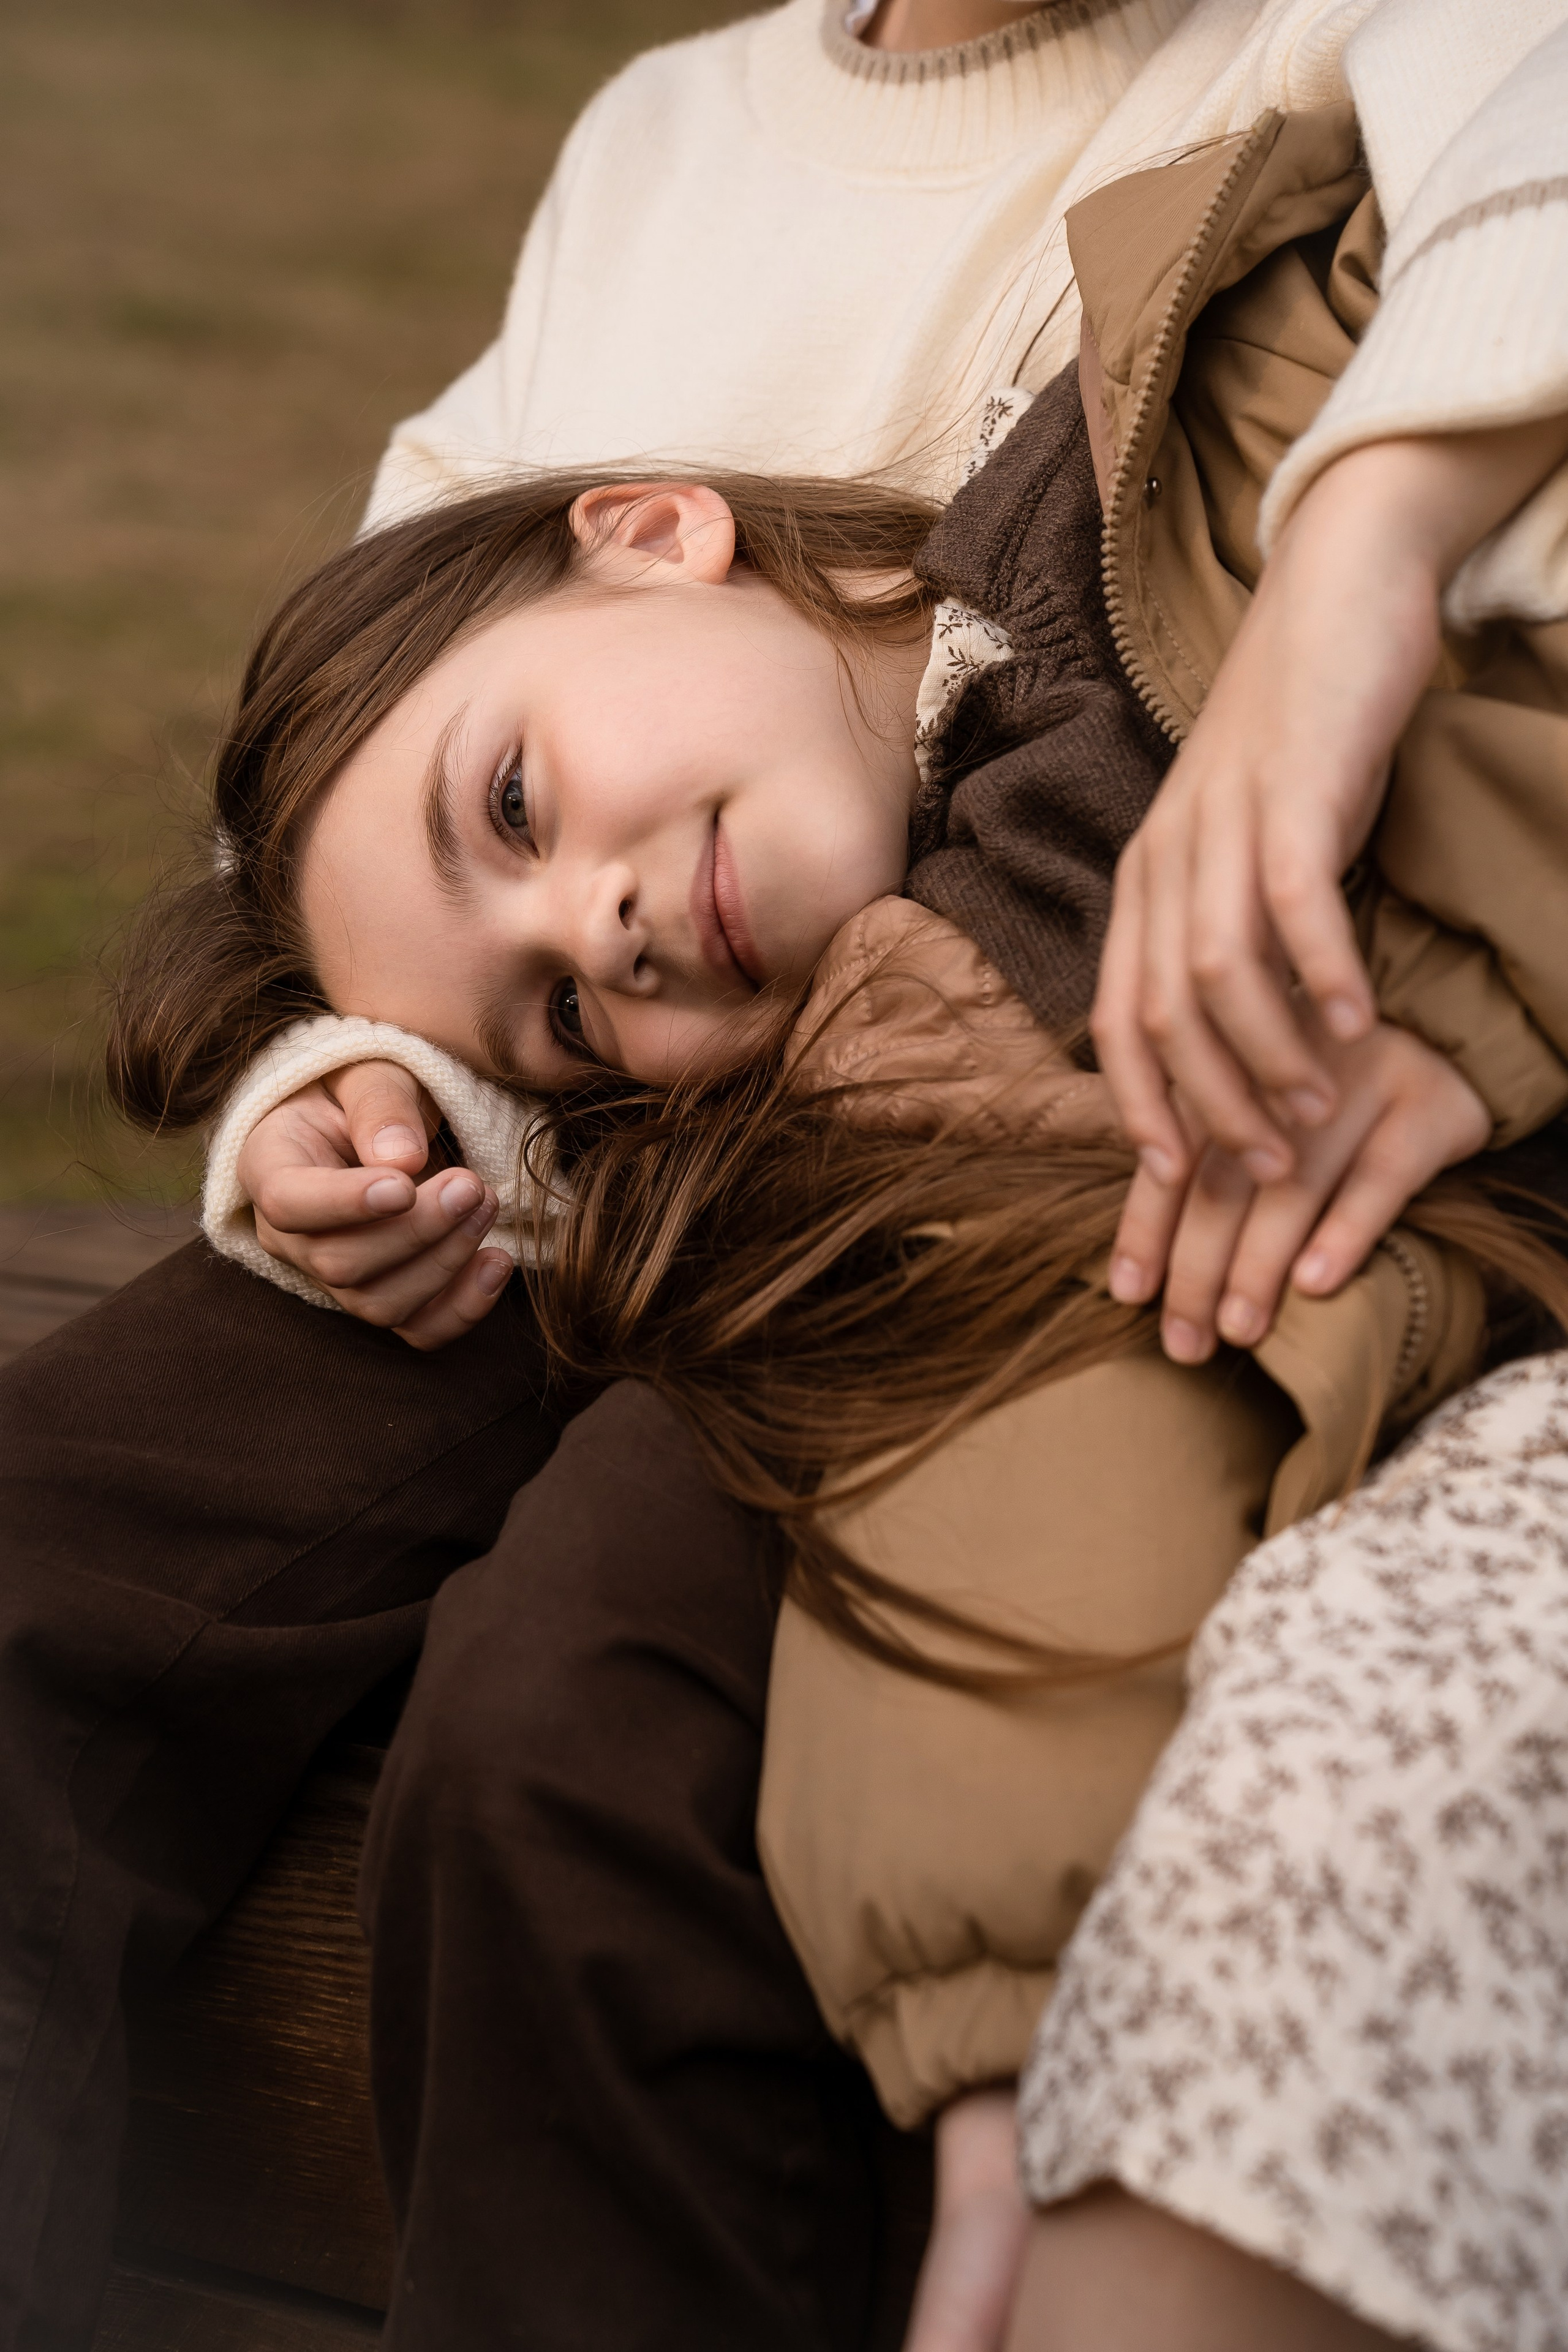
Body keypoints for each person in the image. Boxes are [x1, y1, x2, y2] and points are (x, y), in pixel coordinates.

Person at [4, 4, 1567, 2348]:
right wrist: (362, 1081)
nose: (586, 897)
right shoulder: (670, 141)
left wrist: (1369, 534)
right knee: (65, 1521)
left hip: (1020, 1116)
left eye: (547, 833)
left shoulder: (1348, 32)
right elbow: (370, 759)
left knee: (577, 1703)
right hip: (624, 1126)